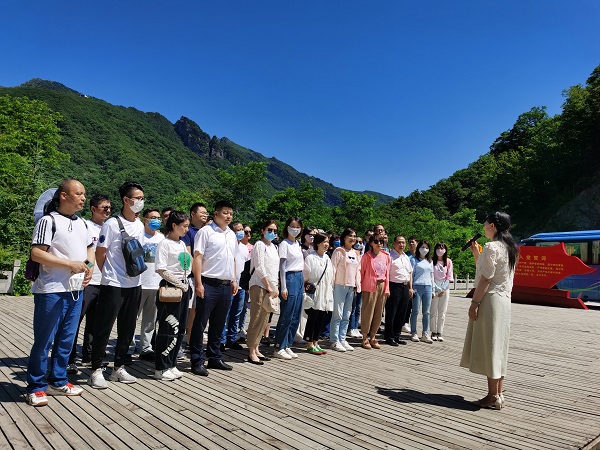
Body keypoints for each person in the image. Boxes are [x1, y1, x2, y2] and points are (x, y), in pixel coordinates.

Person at [26, 179, 93, 406]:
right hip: (51, 290)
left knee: (66, 340)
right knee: (44, 341)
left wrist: (89, 268)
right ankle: (36, 386)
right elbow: (37, 253)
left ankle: (58, 381)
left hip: (75, 290)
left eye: (84, 194)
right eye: (79, 193)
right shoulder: (48, 220)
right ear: (63, 196)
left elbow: (89, 250)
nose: (83, 198)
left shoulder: (83, 223)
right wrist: (70, 264)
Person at [89, 181, 146, 389]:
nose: (141, 202)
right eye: (138, 198)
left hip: (135, 283)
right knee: (104, 327)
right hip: (113, 283)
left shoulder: (139, 225)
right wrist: (109, 274)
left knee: (127, 328)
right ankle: (96, 369)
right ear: (126, 200)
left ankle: (118, 367)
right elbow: (100, 253)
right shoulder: (112, 224)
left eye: (142, 198)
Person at [461, 212, 518, 410]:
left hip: (490, 299)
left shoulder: (491, 247)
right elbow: (489, 271)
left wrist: (474, 303)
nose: (484, 226)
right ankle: (498, 394)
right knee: (499, 346)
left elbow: (485, 278)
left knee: (490, 346)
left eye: (486, 223)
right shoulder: (510, 248)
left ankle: (492, 395)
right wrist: (476, 253)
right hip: (504, 301)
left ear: (492, 226)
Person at [188, 200, 238, 376]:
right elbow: (197, 257)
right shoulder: (206, 232)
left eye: (230, 213)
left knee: (218, 324)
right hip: (208, 283)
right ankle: (196, 360)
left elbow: (233, 259)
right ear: (216, 213)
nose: (228, 216)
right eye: (225, 213)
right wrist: (198, 282)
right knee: (200, 323)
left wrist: (234, 279)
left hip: (226, 284)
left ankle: (214, 357)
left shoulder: (231, 234)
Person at [67, 193, 111, 374]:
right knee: (75, 321)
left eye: (110, 208)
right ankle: (69, 359)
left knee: (96, 323)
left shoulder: (111, 227)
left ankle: (89, 355)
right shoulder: (85, 226)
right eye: (104, 208)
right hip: (87, 281)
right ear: (93, 209)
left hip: (106, 282)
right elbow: (85, 253)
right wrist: (88, 269)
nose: (108, 211)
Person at [154, 211, 192, 380]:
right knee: (169, 327)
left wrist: (185, 284)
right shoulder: (165, 244)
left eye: (188, 226)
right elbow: (161, 269)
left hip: (184, 287)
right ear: (174, 225)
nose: (186, 230)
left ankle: (171, 363)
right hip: (171, 289)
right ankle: (161, 367)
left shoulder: (182, 243)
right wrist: (179, 283)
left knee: (180, 327)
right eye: (184, 226)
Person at [246, 220, 280, 365]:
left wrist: (275, 286)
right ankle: (251, 351)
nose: (272, 233)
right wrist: (268, 285)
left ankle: (257, 347)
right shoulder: (260, 245)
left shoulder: (274, 247)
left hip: (270, 287)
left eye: (274, 231)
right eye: (269, 230)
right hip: (259, 285)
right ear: (263, 230)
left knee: (265, 319)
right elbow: (259, 267)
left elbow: (274, 269)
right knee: (257, 317)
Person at [135, 208, 165, 360]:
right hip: (138, 283)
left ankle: (146, 348)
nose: (156, 220)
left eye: (158, 218)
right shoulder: (138, 236)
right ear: (145, 219)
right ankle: (127, 347)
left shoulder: (161, 238)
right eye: (153, 217)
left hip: (156, 284)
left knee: (150, 320)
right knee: (132, 318)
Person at [274, 217, 304, 360]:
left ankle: (287, 344)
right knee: (287, 313)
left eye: (298, 227)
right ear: (287, 227)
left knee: (296, 314)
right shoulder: (284, 244)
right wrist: (283, 287)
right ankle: (279, 346)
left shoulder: (297, 244)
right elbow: (282, 266)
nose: (295, 229)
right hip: (290, 277)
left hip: (299, 277)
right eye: (292, 226)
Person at [181, 202, 209, 348]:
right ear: (193, 214)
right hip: (192, 276)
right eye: (202, 212)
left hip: (205, 277)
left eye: (206, 213)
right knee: (188, 309)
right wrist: (199, 271)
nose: (205, 215)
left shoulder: (206, 231)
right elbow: (188, 254)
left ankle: (191, 339)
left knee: (197, 310)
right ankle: (185, 338)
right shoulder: (188, 232)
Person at [329, 228, 361, 352]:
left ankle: (342, 338)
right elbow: (333, 269)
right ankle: (334, 340)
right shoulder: (339, 251)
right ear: (344, 237)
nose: (352, 238)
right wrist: (331, 286)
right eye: (350, 236)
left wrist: (357, 284)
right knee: (338, 313)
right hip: (339, 285)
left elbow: (358, 270)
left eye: (354, 236)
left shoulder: (356, 253)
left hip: (351, 287)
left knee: (347, 314)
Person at [302, 233, 333, 355]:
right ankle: (309, 343)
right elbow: (305, 276)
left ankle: (316, 341)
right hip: (314, 292)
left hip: (325, 292)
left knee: (321, 318)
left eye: (327, 242)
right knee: (313, 317)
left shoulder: (327, 258)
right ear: (318, 243)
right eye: (324, 242)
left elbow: (330, 276)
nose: (326, 244)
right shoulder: (311, 258)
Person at [222, 221, 250, 350]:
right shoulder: (228, 245)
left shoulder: (244, 247)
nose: (241, 232)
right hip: (229, 284)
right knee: (225, 313)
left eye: (242, 230)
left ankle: (231, 338)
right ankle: (221, 340)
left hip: (241, 286)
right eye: (238, 230)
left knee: (236, 314)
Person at [359, 234, 390, 349]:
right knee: (368, 311)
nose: (379, 244)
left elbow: (387, 273)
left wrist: (387, 288)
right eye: (376, 241)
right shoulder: (367, 256)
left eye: (381, 241)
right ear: (371, 243)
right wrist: (360, 287)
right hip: (369, 285)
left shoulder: (386, 256)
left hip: (382, 284)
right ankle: (364, 337)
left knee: (378, 311)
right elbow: (362, 272)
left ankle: (373, 336)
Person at [385, 235, 414, 346]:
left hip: (405, 286)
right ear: (394, 244)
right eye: (399, 242)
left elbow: (409, 273)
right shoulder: (390, 256)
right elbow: (386, 273)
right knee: (392, 312)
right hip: (394, 286)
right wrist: (387, 288)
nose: (401, 245)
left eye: (403, 242)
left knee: (402, 313)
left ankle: (397, 336)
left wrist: (410, 288)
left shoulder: (406, 257)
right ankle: (389, 336)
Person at [410, 240, 434, 344]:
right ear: (418, 248)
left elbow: (432, 276)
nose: (424, 249)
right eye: (422, 247)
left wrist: (433, 290)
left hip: (428, 286)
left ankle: (425, 333)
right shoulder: (414, 260)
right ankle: (413, 332)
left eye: (426, 248)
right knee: (415, 310)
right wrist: (410, 287)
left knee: (426, 312)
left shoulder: (430, 261)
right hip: (417, 286)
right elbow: (411, 275)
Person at [431, 242, 454, 342]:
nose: (440, 250)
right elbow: (430, 276)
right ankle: (433, 331)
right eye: (438, 248)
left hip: (445, 287)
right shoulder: (431, 261)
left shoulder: (448, 261)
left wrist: (443, 288)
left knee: (442, 312)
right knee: (433, 311)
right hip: (434, 287)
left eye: (442, 248)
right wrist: (436, 288)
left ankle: (439, 332)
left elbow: (449, 276)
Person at [347, 236, 364, 338]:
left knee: (358, 307)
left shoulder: (363, 255)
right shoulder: (352, 254)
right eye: (356, 241)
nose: (358, 243)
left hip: (361, 284)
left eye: (360, 242)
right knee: (352, 307)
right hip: (353, 284)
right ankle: (351, 328)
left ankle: (355, 327)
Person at [402, 236, 419, 333]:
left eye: (413, 242)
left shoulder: (420, 256)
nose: (411, 244)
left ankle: (407, 322)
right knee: (407, 304)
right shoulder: (405, 255)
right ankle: (404, 322)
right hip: (407, 282)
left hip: (417, 282)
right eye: (409, 242)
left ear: (417, 243)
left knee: (413, 305)